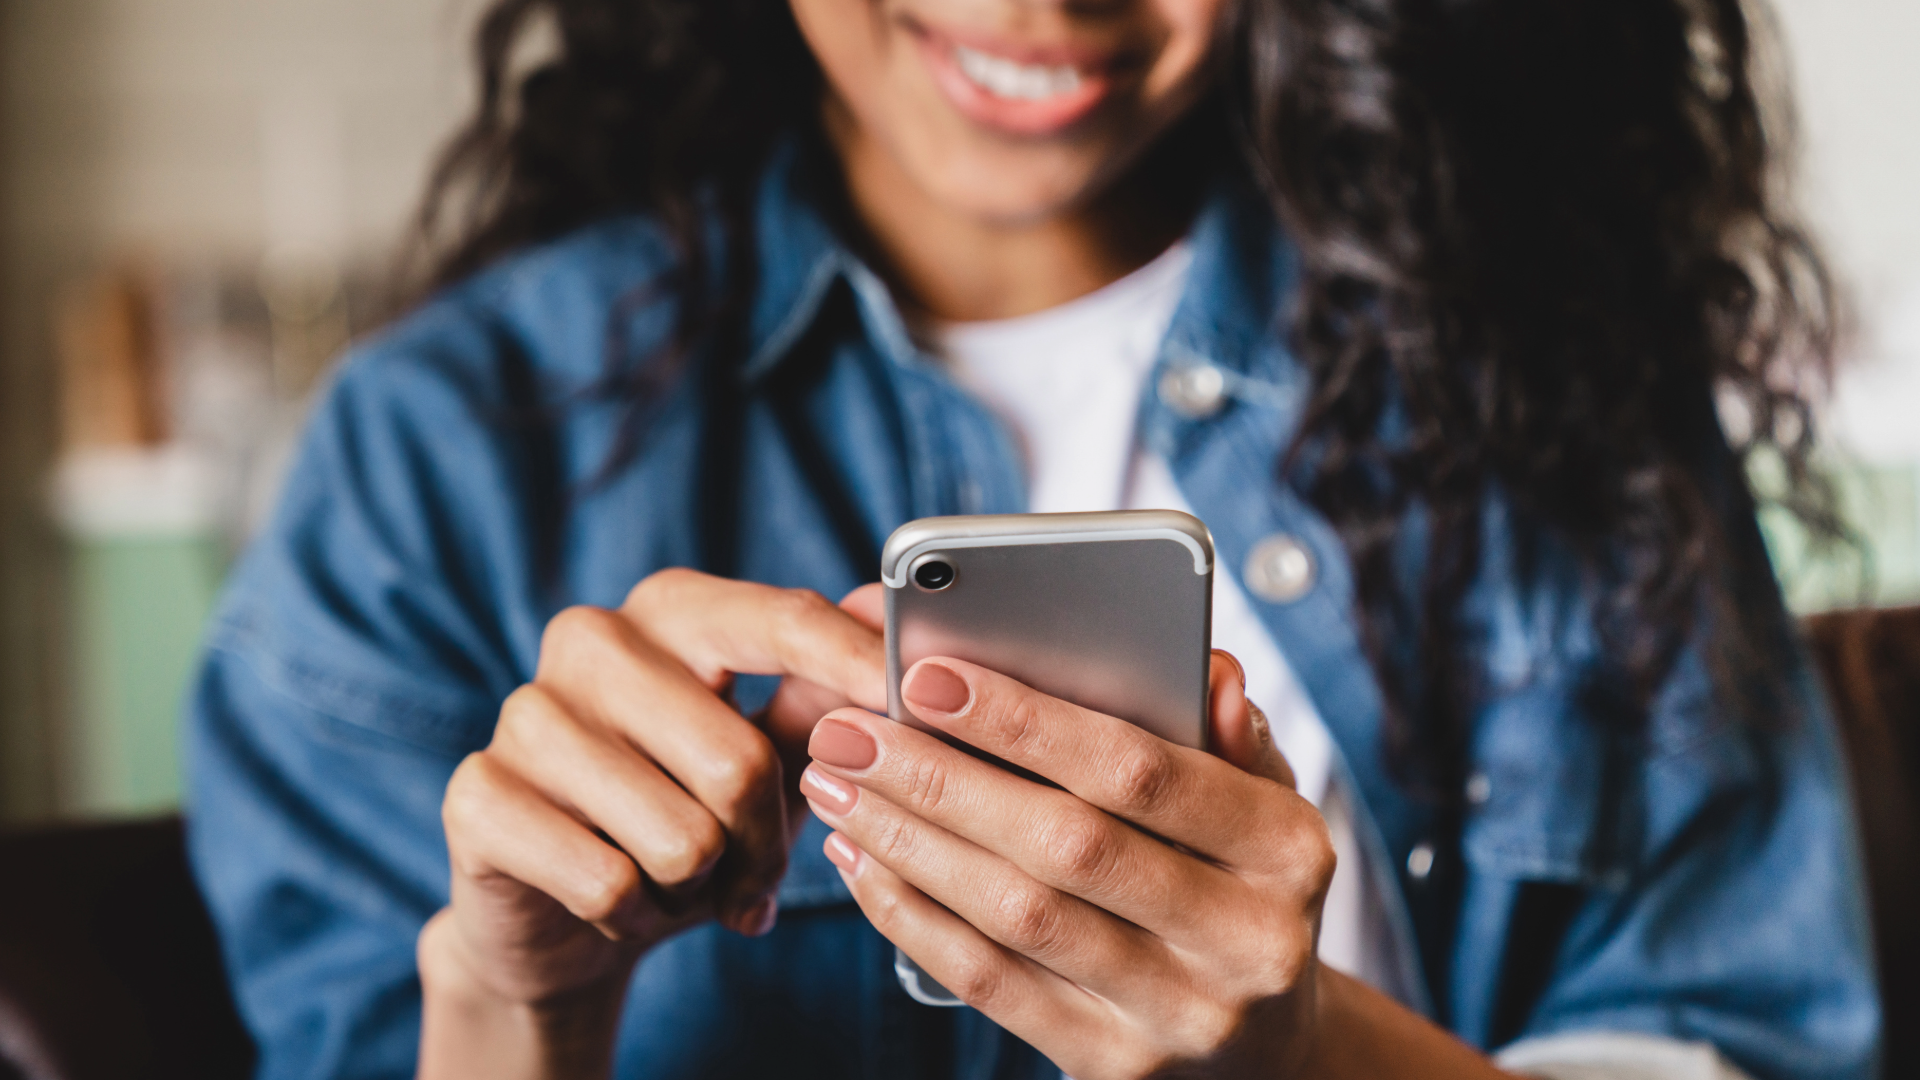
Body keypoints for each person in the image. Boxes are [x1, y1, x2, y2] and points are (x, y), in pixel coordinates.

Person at [184, 0, 1880, 1077]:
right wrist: (511, 1008)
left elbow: (1730, 1034)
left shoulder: (1548, 372)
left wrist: (1303, 1060)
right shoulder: (442, 455)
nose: (1038, 4)